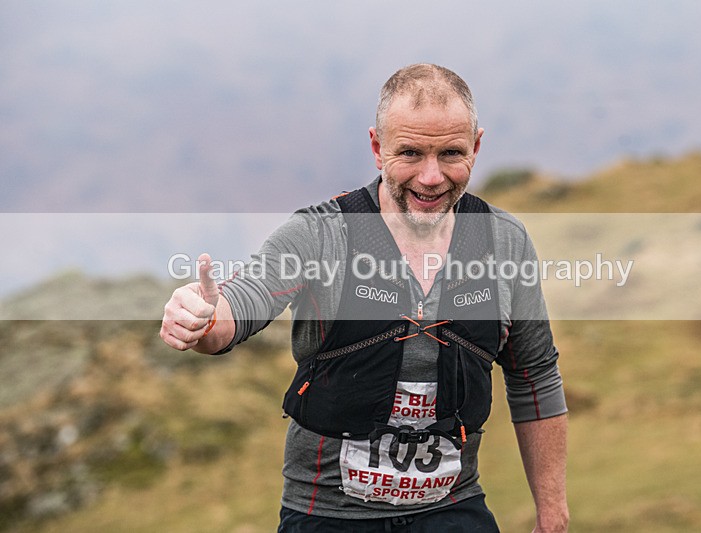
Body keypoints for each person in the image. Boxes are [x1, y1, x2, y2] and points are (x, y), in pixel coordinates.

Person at [161, 63, 569, 532]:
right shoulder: (318, 234)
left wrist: (552, 512)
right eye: (410, 153)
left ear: (477, 146)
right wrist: (205, 322)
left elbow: (533, 374)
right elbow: (245, 299)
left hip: (453, 511)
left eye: (451, 153)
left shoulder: (505, 242)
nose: (432, 177)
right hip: (328, 515)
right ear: (377, 148)